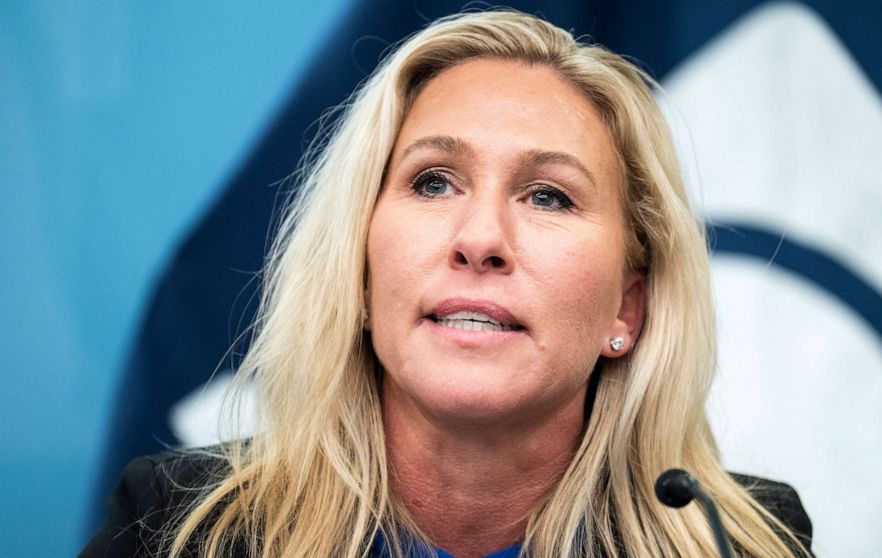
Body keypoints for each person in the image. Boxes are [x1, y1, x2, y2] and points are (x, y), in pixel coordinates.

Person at [82, 10, 813, 558]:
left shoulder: (737, 543)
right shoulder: (175, 527)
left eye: (548, 196)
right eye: (433, 182)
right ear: (360, 278)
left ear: (628, 306)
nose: (481, 240)